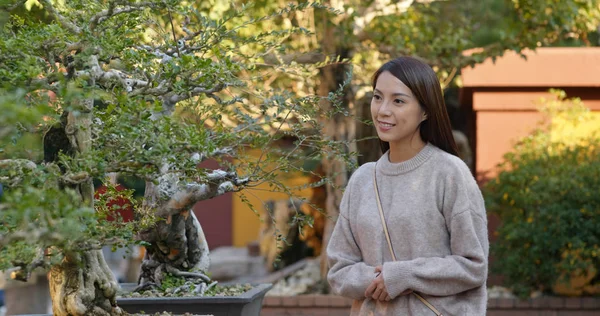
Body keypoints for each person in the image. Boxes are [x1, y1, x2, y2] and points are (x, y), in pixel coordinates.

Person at [327, 56, 489, 315]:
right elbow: (339, 269)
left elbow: (473, 266)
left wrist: (404, 275)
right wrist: (378, 280)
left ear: (425, 111)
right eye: (377, 97)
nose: (383, 110)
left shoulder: (449, 173)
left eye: (398, 101)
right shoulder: (362, 180)